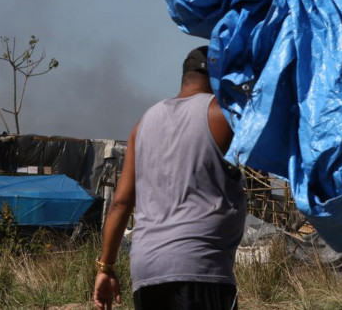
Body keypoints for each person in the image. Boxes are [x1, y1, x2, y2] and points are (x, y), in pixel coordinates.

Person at [93, 46, 247, 310]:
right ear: (220, 77)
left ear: (185, 77)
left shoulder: (143, 124)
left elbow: (120, 202)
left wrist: (105, 268)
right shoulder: (222, 115)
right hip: (201, 268)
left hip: (148, 274)